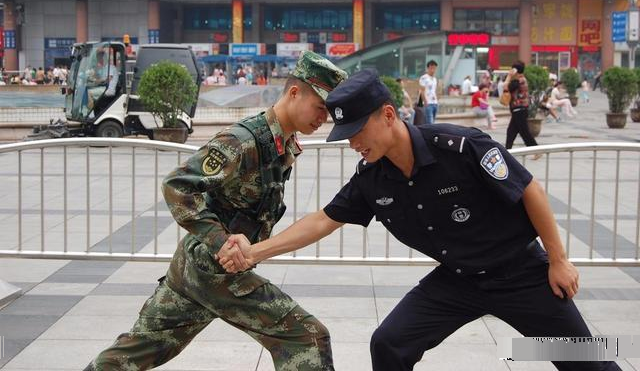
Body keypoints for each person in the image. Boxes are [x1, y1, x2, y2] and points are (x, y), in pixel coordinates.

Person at [218, 69, 621, 371]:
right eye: (346, 135)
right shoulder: (371, 177)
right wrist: (254, 251)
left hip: (521, 272)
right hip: (458, 279)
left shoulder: (461, 147)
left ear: (389, 115)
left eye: (359, 131)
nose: (354, 142)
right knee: (389, 343)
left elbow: (528, 189)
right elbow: (323, 220)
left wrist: (558, 259)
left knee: (587, 362)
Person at [84, 51, 347, 371]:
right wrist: (221, 241)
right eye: (320, 107)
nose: (324, 117)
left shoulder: (283, 142)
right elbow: (177, 185)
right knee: (306, 338)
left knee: (136, 352)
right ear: (294, 93)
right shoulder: (244, 140)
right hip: (214, 270)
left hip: (197, 267)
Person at [505, 63, 538, 150]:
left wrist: (509, 76)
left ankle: (537, 150)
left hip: (519, 110)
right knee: (511, 132)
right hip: (519, 110)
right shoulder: (520, 79)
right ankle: (507, 151)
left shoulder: (519, 80)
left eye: (512, 69)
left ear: (515, 70)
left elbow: (506, 88)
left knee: (524, 132)